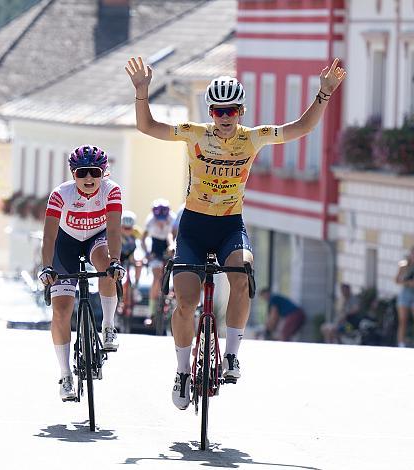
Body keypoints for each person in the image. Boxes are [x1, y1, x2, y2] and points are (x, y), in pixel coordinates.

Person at [125, 55, 346, 409]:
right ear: (210, 112)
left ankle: (231, 356)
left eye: (230, 111)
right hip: (194, 227)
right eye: (217, 111)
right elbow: (148, 127)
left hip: (230, 225)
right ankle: (183, 372)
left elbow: (300, 129)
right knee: (185, 303)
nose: (224, 118)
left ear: (241, 111)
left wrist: (323, 94)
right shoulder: (194, 134)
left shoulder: (254, 138)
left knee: (241, 272)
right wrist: (141, 91)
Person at [37, 145, 126, 402]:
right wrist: (46, 267)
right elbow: (49, 235)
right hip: (65, 243)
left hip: (96, 239)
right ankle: (65, 375)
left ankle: (108, 325)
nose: (88, 179)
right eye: (82, 173)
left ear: (103, 173)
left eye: (94, 173)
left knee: (106, 265)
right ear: (73, 174)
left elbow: (114, 231)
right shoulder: (60, 195)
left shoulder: (112, 191)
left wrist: (116, 261)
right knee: (61, 311)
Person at [142, 199, 176, 317]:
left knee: (174, 270)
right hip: (155, 245)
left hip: (168, 243)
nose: (161, 222)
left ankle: (171, 295)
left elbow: (171, 235)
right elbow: (143, 239)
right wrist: (147, 253)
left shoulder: (172, 218)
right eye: (159, 219)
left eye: (163, 219)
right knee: (156, 277)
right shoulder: (150, 220)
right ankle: (151, 313)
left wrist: (172, 246)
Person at [395, 245, 414, 347]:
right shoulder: (403, 265)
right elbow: (397, 280)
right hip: (405, 294)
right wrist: (408, 282)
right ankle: (401, 343)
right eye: (413, 253)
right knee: (403, 320)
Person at [120, 210, 143, 298]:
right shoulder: (117, 231)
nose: (127, 231)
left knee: (139, 263)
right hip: (120, 255)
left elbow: (141, 246)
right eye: (124, 228)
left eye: (129, 229)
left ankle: (136, 285)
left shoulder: (136, 232)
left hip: (131, 254)